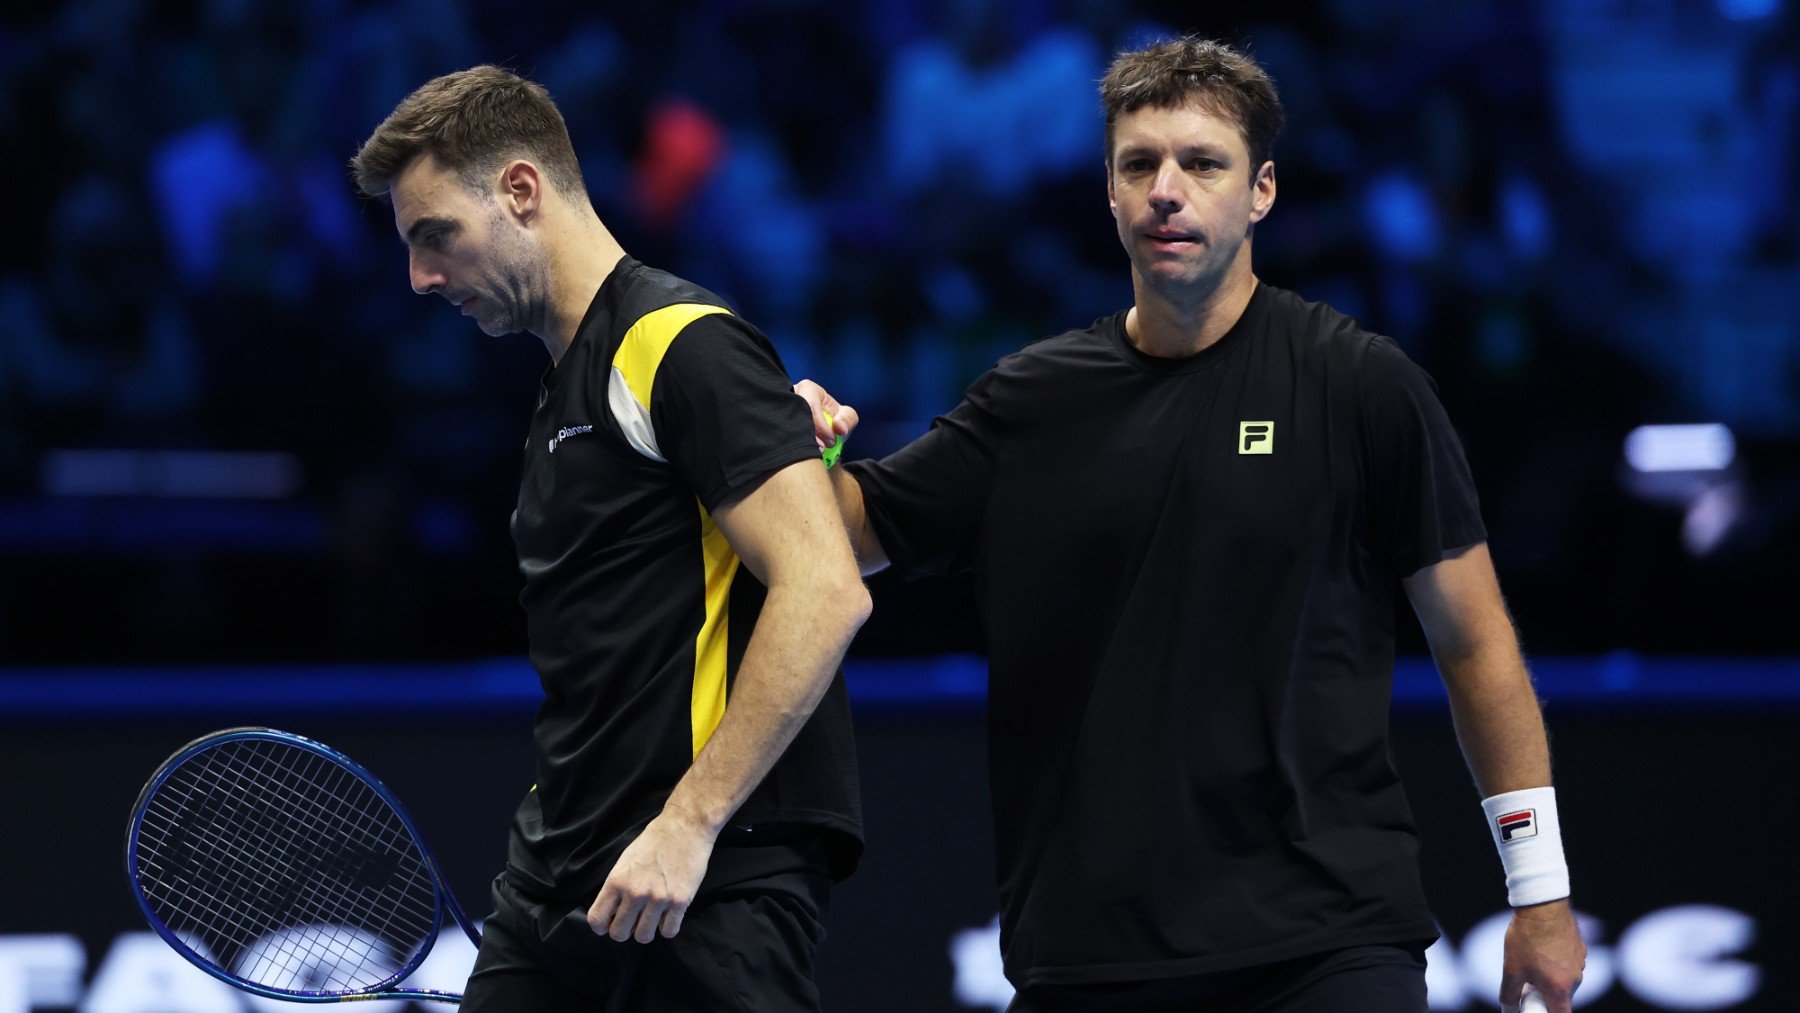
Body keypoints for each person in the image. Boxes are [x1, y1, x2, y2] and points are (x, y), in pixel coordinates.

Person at [797, 37, 1585, 1012]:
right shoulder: (1029, 401)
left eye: (1202, 163)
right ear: (1112, 192)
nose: (1167, 189)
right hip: (1086, 956)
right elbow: (850, 534)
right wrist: (807, 449)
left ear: (1261, 192)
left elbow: (1473, 640)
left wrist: (1541, 890)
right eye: (1140, 164)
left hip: (1328, 946)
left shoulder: (1362, 386)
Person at [351, 66, 868, 1011]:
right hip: (564, 883)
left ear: (519, 190)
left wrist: (688, 824)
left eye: (436, 238)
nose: (422, 278)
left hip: (703, 881)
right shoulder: (565, 385)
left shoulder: (679, 342)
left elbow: (825, 587)